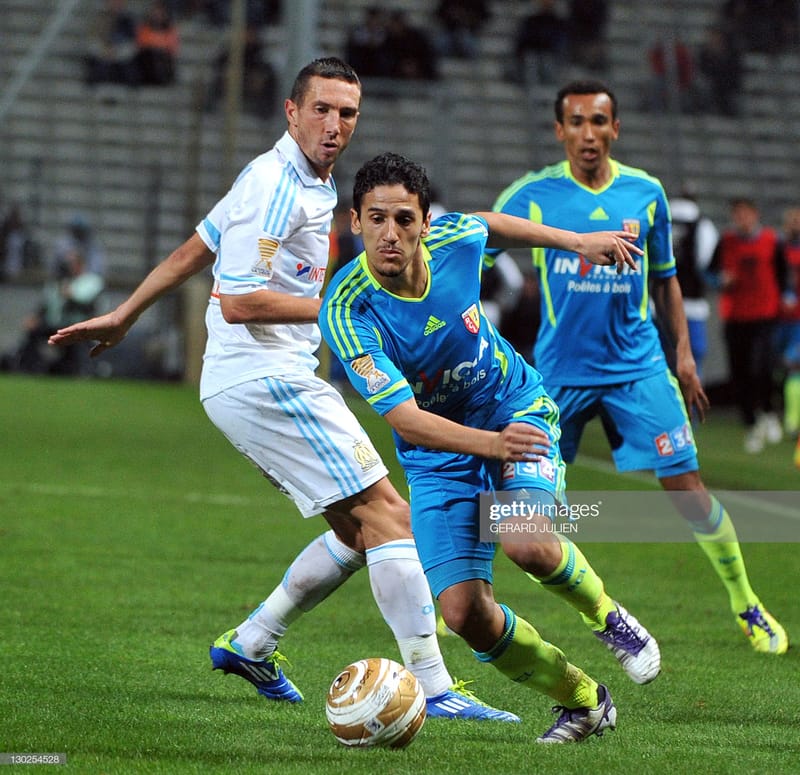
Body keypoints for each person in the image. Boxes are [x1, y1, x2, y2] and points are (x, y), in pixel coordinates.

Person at [48, 58, 519, 723]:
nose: (334, 125)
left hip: (256, 378)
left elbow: (197, 247)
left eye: (346, 113)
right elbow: (237, 301)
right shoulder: (277, 184)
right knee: (392, 515)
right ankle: (435, 685)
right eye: (321, 109)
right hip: (264, 375)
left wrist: (128, 312)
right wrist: (353, 306)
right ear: (291, 112)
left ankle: (251, 642)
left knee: (361, 533)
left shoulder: (294, 179)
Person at [320, 152, 660, 744]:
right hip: (438, 457)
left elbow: (492, 223)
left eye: (404, 218)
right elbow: (408, 420)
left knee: (526, 541)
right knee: (463, 615)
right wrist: (489, 445)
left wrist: (575, 241)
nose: (390, 233)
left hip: (515, 410)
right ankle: (584, 701)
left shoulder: (454, 241)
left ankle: (608, 617)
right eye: (376, 219)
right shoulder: (347, 311)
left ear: (426, 221)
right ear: (356, 221)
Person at [490, 80, 788, 654]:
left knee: (689, 491)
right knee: (521, 507)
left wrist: (682, 356)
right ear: (559, 131)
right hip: (558, 375)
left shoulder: (645, 192)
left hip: (638, 367)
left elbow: (666, 278)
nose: (588, 134)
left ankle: (746, 604)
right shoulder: (532, 195)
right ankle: (515, 611)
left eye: (599, 122)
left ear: (615, 129)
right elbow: (478, 245)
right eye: (576, 122)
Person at [709, 198, 789, 453]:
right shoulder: (726, 242)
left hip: (764, 314)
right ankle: (751, 423)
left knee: (761, 366)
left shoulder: (771, 241)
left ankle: (768, 412)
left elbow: (782, 273)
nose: (742, 219)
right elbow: (710, 272)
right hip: (735, 316)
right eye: (737, 215)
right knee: (740, 371)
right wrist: (721, 280)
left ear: (755, 215)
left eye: (746, 214)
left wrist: (786, 295)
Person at [3, 248, 104, 375]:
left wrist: (70, 296)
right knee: (33, 333)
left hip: (77, 326)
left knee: (77, 347)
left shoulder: (90, 281)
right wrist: (35, 317)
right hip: (55, 324)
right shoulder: (58, 282)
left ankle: (81, 371)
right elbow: (46, 303)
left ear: (80, 264)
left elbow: (88, 306)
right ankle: (29, 366)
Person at [667, 186, 719, 382]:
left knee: (664, 357)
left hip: (660, 302)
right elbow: (705, 262)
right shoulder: (702, 225)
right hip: (692, 302)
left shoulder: (662, 220)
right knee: (693, 356)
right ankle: (693, 409)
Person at [776, 206, 800, 436]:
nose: (795, 225)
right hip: (775, 317)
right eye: (792, 220)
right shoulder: (779, 248)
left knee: (794, 366)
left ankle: (793, 421)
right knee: (776, 367)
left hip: (797, 320)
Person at [509, 0, 568, 87]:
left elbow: (560, 39)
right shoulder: (531, 20)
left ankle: (550, 89)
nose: (545, 6)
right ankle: (532, 89)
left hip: (550, 54)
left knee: (547, 62)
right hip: (533, 53)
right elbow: (523, 39)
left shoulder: (557, 22)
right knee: (531, 62)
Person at [85, 0, 139, 88]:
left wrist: (116, 52)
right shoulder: (99, 19)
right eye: (113, 2)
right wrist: (104, 50)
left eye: (118, 2)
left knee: (130, 71)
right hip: (103, 54)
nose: (115, 4)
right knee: (97, 68)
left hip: (122, 55)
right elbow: (92, 40)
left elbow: (133, 44)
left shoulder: (128, 21)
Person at [134, 0, 179, 86]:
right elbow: (142, 44)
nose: (157, 15)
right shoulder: (144, 27)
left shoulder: (170, 29)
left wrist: (155, 42)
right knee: (149, 54)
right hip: (148, 63)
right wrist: (159, 42)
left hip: (163, 64)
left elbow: (171, 49)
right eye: (155, 12)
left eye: (160, 12)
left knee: (161, 56)